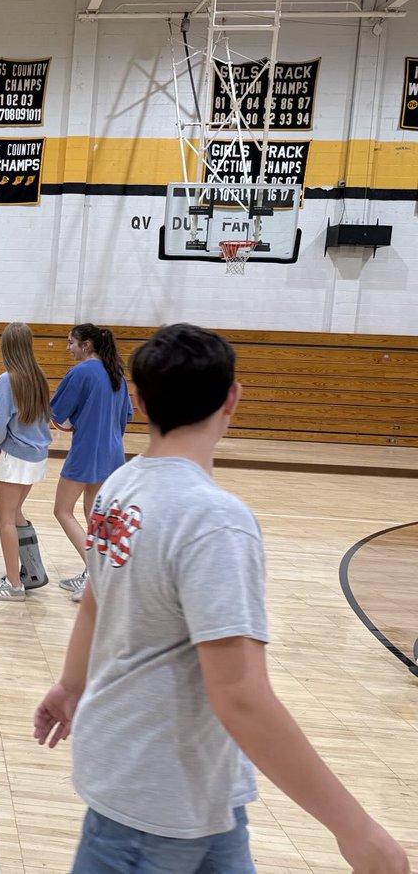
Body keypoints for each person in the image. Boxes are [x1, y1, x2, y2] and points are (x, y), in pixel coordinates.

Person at [33, 323, 410, 874]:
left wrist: (71, 685)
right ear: (232, 398)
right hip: (153, 806)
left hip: (207, 795)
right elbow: (241, 696)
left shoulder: (119, 487)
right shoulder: (215, 521)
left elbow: (96, 597)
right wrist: (358, 830)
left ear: (138, 402)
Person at [50, 323, 132, 602]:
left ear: (86, 345)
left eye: (71, 342)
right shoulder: (116, 373)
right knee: (94, 514)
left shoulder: (81, 372)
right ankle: (95, 573)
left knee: (62, 511)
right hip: (113, 452)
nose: (68, 347)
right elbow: (125, 417)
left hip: (87, 450)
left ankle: (96, 574)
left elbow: (57, 413)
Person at [0, 322, 52, 601]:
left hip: (18, 455)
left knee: (5, 518)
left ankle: (14, 585)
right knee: (16, 512)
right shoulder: (39, 376)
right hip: (37, 456)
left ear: (6, 346)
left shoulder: (8, 379)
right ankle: (33, 573)